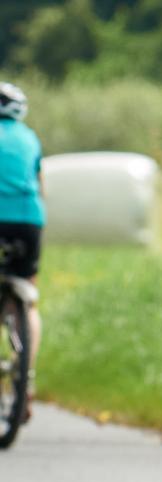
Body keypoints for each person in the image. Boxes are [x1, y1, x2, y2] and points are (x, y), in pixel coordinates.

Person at [0, 81, 45, 422]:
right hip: (29, 222)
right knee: (28, 293)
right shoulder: (30, 138)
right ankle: (25, 381)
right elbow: (41, 186)